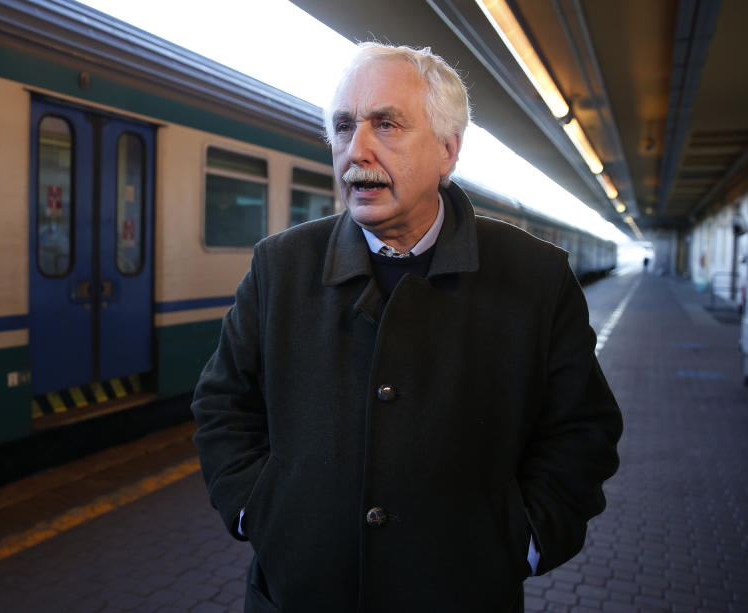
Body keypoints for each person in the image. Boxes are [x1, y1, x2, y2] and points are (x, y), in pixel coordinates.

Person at [191, 42, 622, 612]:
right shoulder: (280, 267)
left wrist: (528, 541)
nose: (357, 150)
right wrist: (258, 511)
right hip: (298, 596)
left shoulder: (535, 277)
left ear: (448, 150)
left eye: (386, 125)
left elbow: (581, 430)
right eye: (344, 127)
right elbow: (223, 406)